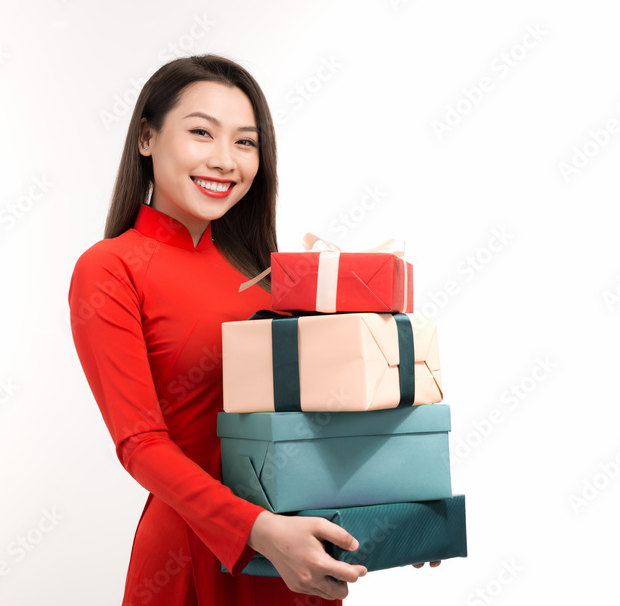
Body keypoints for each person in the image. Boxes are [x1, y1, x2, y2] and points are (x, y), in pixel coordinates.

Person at [68, 54, 436, 605]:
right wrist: (259, 530)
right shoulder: (110, 268)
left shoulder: (271, 280)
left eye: (245, 142)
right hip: (198, 551)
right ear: (146, 137)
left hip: (298, 560)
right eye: (201, 133)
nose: (224, 161)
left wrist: (396, 503)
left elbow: (324, 418)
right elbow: (140, 444)